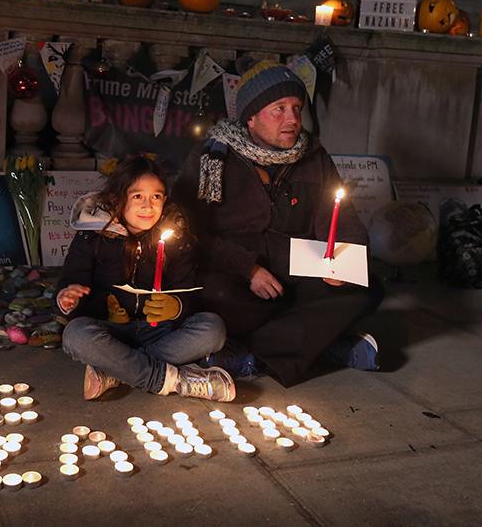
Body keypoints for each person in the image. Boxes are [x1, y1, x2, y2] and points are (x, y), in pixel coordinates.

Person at [173, 59, 384, 388]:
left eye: (297, 108)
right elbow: (189, 233)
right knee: (215, 295)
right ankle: (320, 342)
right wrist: (249, 269)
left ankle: (251, 355)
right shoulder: (211, 158)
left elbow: (341, 218)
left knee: (367, 286)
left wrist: (343, 261)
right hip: (235, 273)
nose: (293, 120)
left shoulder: (313, 157)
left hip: (294, 267)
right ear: (251, 117)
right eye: (280, 109)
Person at [57, 155, 235, 402]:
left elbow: (189, 291)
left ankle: (117, 371)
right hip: (112, 331)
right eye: (137, 196)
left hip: (160, 332)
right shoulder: (93, 235)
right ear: (118, 198)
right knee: (75, 334)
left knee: (213, 328)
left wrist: (176, 308)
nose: (148, 205)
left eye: (157, 196)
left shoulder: (176, 237)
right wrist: (70, 297)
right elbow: (71, 282)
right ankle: (173, 380)